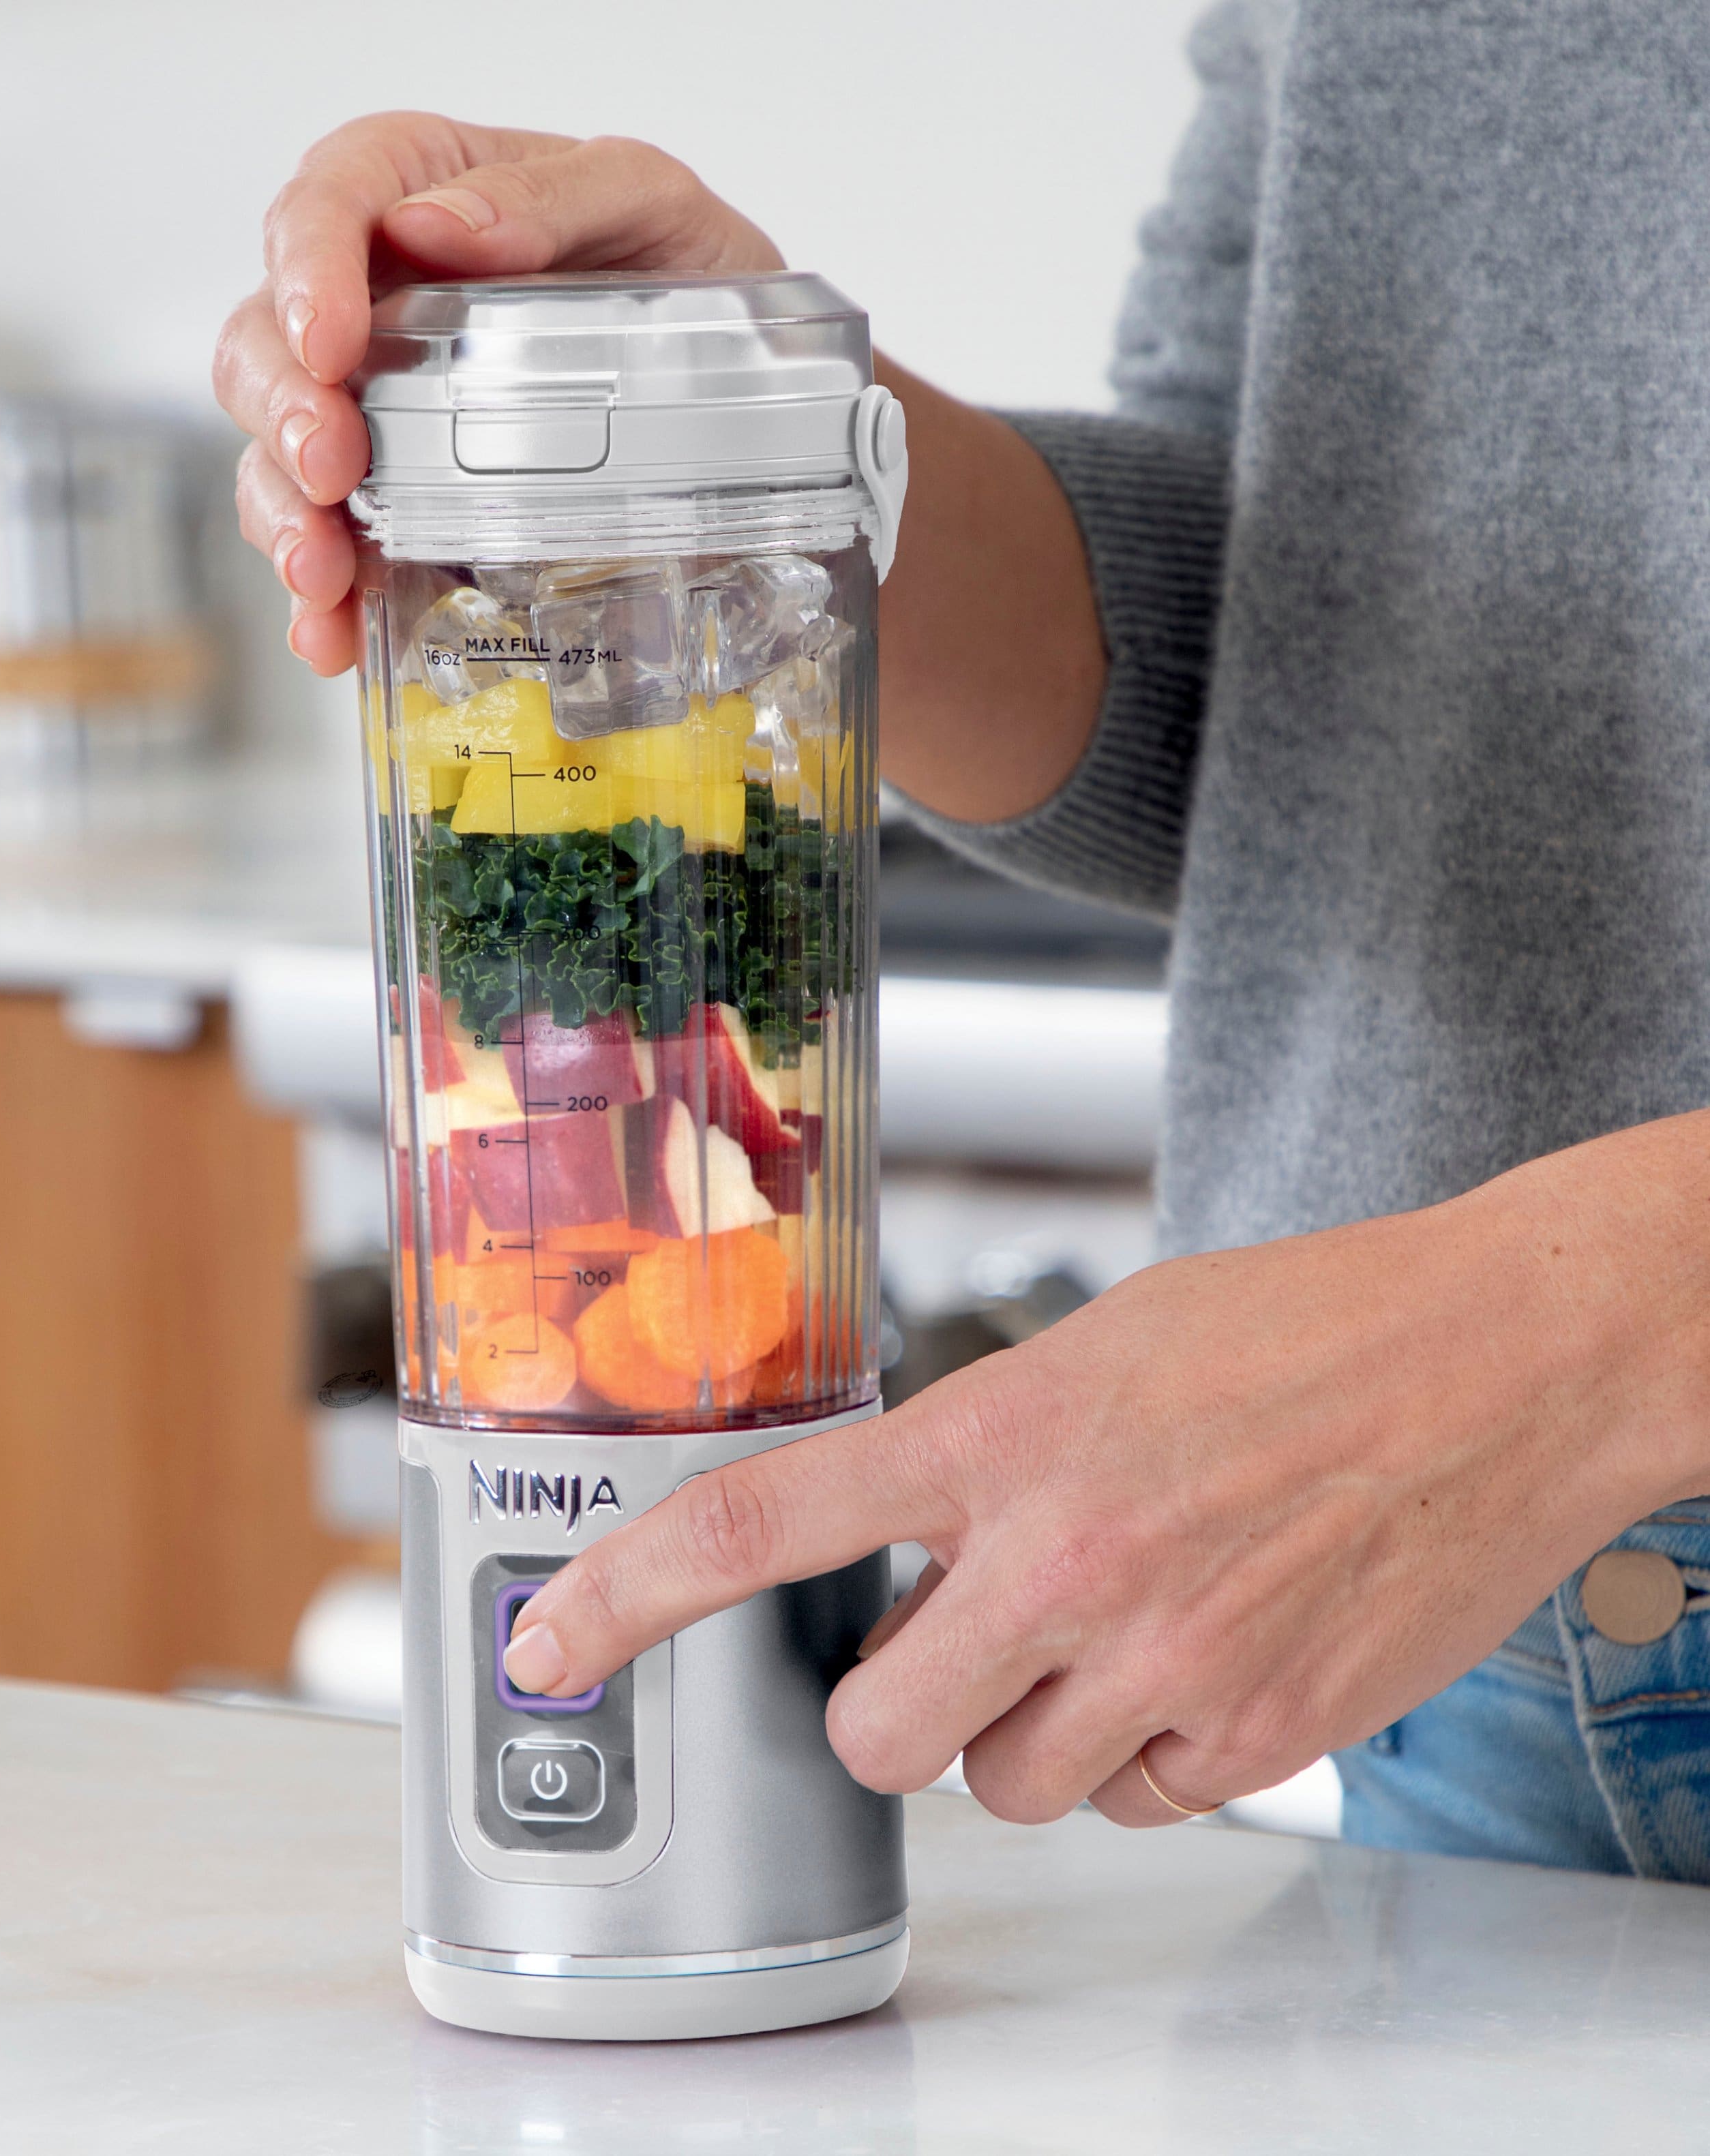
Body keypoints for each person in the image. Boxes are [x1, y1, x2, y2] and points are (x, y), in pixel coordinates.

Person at [215, 5, 1710, 1881]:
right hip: (1471, 1672)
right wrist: (749, 437)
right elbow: (1285, 661)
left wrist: (1575, 1339)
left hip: (1479, 1449)